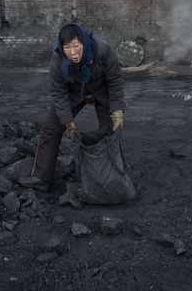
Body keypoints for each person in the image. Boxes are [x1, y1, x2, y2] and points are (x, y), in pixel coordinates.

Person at [19, 22, 125, 191]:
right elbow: (59, 94)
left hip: (101, 90)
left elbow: (115, 82)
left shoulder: (103, 50)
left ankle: (115, 174)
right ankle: (41, 178)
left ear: (83, 42)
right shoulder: (58, 59)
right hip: (74, 93)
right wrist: (68, 124)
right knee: (50, 128)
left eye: (76, 46)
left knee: (111, 130)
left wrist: (117, 110)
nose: (72, 53)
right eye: (67, 47)